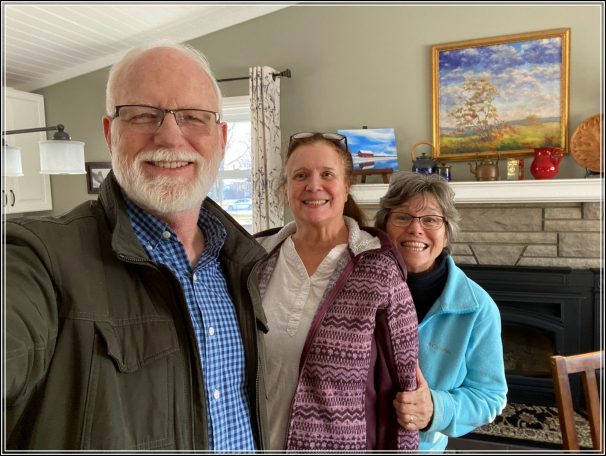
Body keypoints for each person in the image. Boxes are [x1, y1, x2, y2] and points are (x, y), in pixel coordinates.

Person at [4, 41, 269, 451]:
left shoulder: (240, 262)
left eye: (192, 117)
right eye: (143, 114)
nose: (170, 136)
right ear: (110, 134)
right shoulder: (41, 257)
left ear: (221, 138)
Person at [255, 132, 419, 451]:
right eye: (300, 175)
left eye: (327, 174)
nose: (313, 185)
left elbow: (404, 390)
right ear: (285, 189)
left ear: (346, 187)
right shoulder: (254, 258)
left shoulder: (378, 270)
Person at [375, 171, 508, 452]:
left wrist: (435, 408)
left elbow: (490, 396)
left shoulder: (478, 308)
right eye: (402, 217)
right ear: (384, 227)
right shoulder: (358, 288)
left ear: (446, 234)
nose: (416, 228)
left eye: (431, 219)